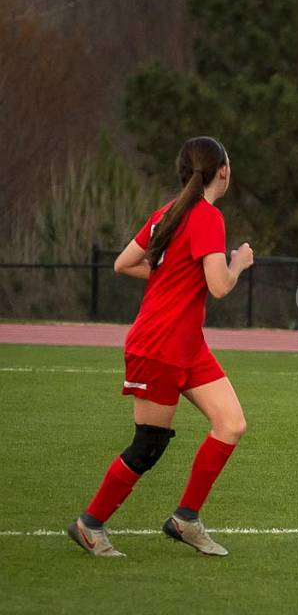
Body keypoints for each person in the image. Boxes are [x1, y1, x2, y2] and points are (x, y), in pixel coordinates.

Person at [68, 136, 253, 557]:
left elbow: (124, 263)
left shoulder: (167, 214)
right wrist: (238, 262)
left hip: (188, 345)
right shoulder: (206, 216)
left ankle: (185, 519)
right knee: (149, 444)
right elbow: (219, 286)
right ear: (222, 170)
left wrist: (172, 277)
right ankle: (89, 524)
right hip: (159, 345)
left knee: (231, 425)